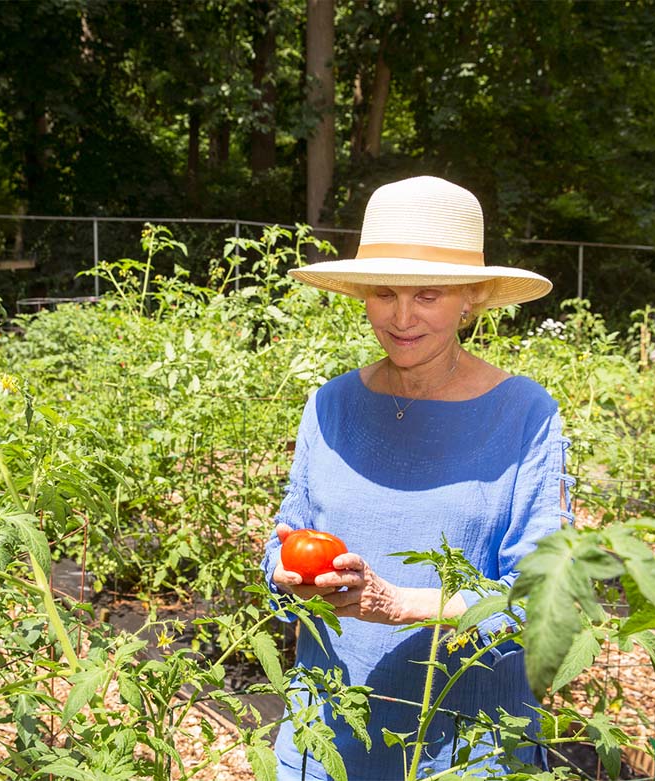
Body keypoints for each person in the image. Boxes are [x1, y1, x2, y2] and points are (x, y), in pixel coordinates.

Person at [261, 176, 574, 780]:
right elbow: (286, 537)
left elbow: (539, 597)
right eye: (384, 293)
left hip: (466, 740)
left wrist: (399, 603)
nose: (402, 318)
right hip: (329, 732)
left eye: (428, 294)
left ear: (472, 298)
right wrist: (283, 572)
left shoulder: (526, 415)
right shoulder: (329, 405)